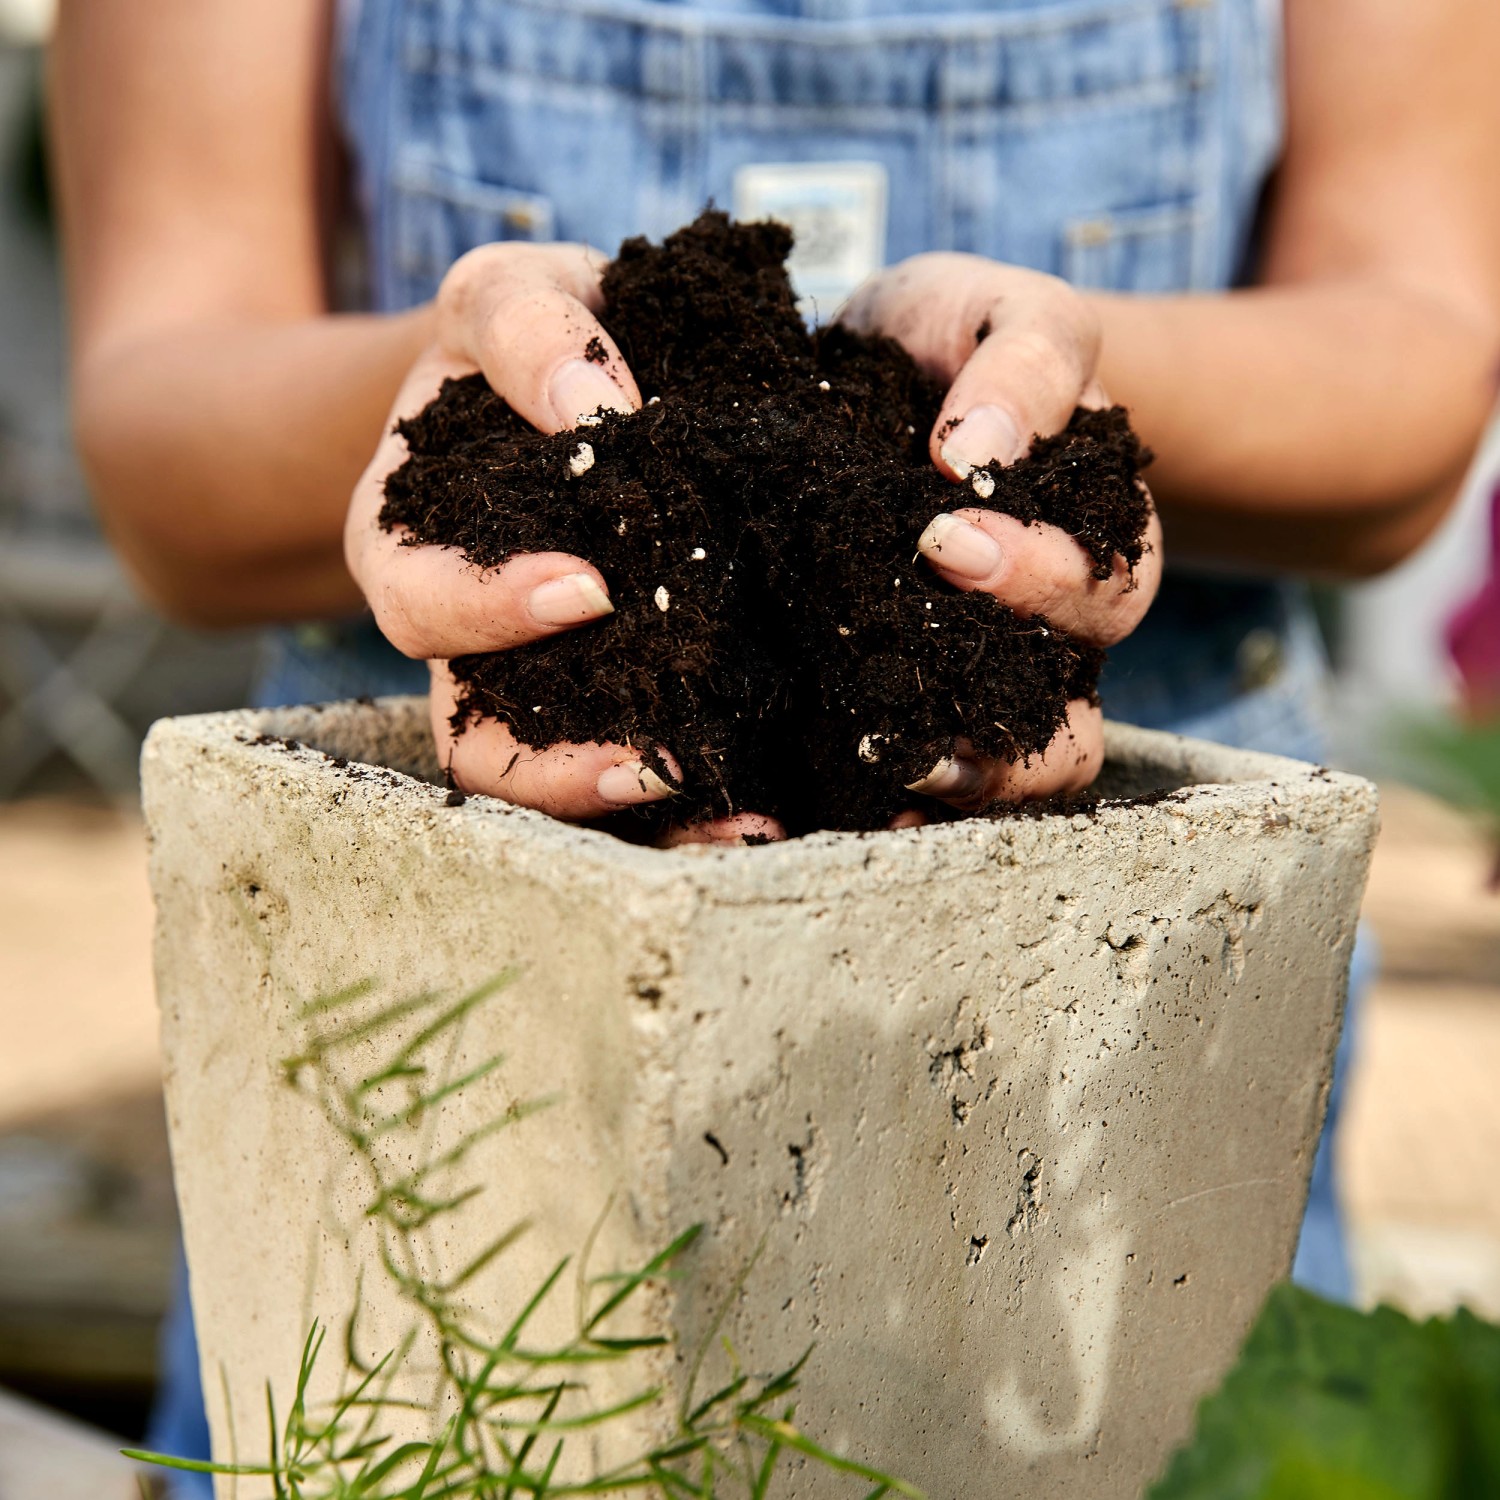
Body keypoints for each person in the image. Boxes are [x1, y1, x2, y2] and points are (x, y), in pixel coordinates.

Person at [50, 0, 1500, 1486]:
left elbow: (1416, 365)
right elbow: (164, 419)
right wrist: (457, 409)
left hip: (1132, 998)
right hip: (450, 966)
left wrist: (1063, 404)